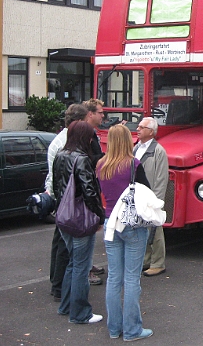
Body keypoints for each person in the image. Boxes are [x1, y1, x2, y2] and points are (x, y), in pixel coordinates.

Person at [97, 124, 154, 341]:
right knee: (132, 279)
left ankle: (114, 328)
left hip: (110, 222)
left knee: (114, 278)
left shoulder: (101, 165)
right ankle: (132, 330)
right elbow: (146, 191)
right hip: (131, 224)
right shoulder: (133, 164)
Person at [52, 121, 105, 324]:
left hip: (64, 217)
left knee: (72, 264)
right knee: (81, 267)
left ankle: (66, 306)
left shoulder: (60, 155)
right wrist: (99, 216)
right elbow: (90, 192)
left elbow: (58, 187)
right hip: (80, 219)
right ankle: (80, 313)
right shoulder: (82, 159)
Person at [45, 102, 88, 302]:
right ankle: (60, 287)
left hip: (61, 198)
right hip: (67, 201)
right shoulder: (66, 144)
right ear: (78, 122)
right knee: (65, 247)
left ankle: (58, 283)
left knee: (60, 244)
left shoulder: (61, 141)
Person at [134, 117, 169, 277]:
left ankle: (158, 263)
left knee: (155, 230)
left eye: (142, 127)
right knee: (142, 229)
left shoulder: (159, 151)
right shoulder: (136, 147)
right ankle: (146, 260)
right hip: (138, 195)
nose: (138, 129)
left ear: (151, 132)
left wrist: (157, 201)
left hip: (151, 196)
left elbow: (162, 178)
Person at [83, 98, 106, 285]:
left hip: (92, 183)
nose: (103, 115)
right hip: (87, 187)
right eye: (100, 112)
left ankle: (89, 264)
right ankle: (86, 270)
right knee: (86, 230)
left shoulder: (93, 133)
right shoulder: (86, 135)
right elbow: (91, 159)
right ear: (90, 114)